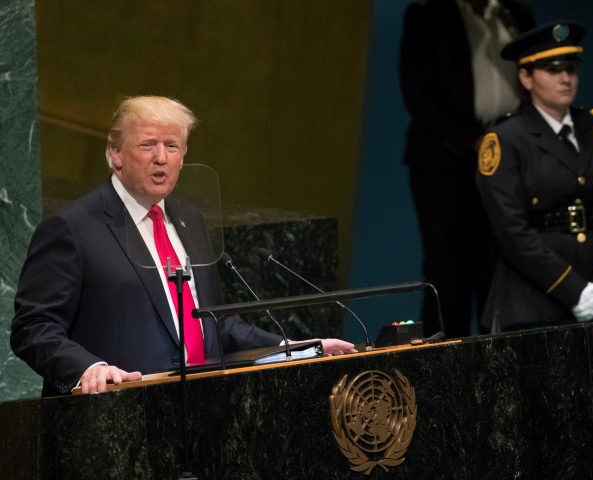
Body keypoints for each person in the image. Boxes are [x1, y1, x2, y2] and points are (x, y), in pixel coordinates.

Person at [11, 95, 356, 396]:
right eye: (147, 145)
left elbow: (213, 325)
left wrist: (290, 348)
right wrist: (88, 368)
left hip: (196, 409)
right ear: (115, 154)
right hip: (113, 419)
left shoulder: (192, 222)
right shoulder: (73, 227)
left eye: (172, 146)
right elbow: (34, 327)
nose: (161, 158)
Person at [475, 22, 593, 384]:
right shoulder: (505, 139)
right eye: (552, 69)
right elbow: (512, 232)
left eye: (571, 68)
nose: (565, 78)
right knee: (538, 426)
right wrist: (574, 291)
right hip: (534, 302)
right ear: (526, 77)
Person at [399, 0, 535, 339]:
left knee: (500, 268)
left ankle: (497, 374)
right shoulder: (428, 14)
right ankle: (446, 376)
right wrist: (471, 141)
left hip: (506, 162)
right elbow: (418, 93)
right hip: (444, 164)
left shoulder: (515, 14)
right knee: (447, 272)